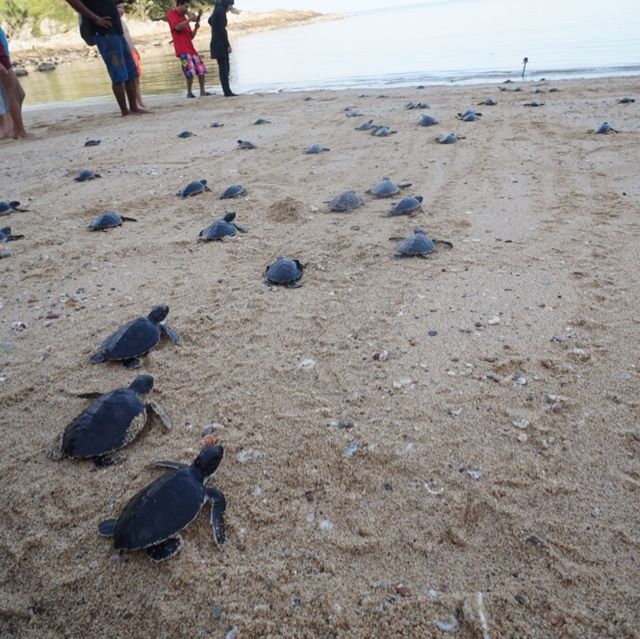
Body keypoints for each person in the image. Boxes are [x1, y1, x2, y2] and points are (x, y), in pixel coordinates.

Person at [63, 0, 146, 116]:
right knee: (118, 74)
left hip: (115, 29)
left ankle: (134, 107)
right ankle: (125, 111)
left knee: (131, 71)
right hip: (104, 32)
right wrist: (95, 18)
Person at [167, 0, 209, 98]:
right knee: (188, 70)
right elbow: (177, 27)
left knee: (201, 69)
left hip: (190, 48)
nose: (187, 9)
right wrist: (189, 19)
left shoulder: (183, 17)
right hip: (182, 49)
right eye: (185, 7)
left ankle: (202, 91)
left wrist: (195, 28)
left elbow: (190, 36)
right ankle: (189, 92)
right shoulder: (172, 14)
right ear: (179, 5)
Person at [0, 26, 30, 139]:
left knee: (20, 94)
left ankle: (15, 128)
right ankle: (20, 131)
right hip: (1, 59)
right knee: (11, 95)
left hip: (4, 56)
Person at [117, 3, 146, 110]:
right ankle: (135, 103)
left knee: (137, 78)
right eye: (118, 7)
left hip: (131, 51)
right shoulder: (116, 23)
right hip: (126, 52)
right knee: (131, 79)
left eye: (122, 7)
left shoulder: (123, 22)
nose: (121, 10)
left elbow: (128, 37)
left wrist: (135, 50)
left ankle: (140, 101)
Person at [209, 0, 237, 97]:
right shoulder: (221, 10)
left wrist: (215, 26)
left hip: (216, 42)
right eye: (230, 5)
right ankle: (227, 92)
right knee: (224, 69)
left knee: (224, 67)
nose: (230, 8)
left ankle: (227, 91)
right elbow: (221, 30)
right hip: (220, 43)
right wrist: (228, 45)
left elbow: (210, 20)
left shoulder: (217, 8)